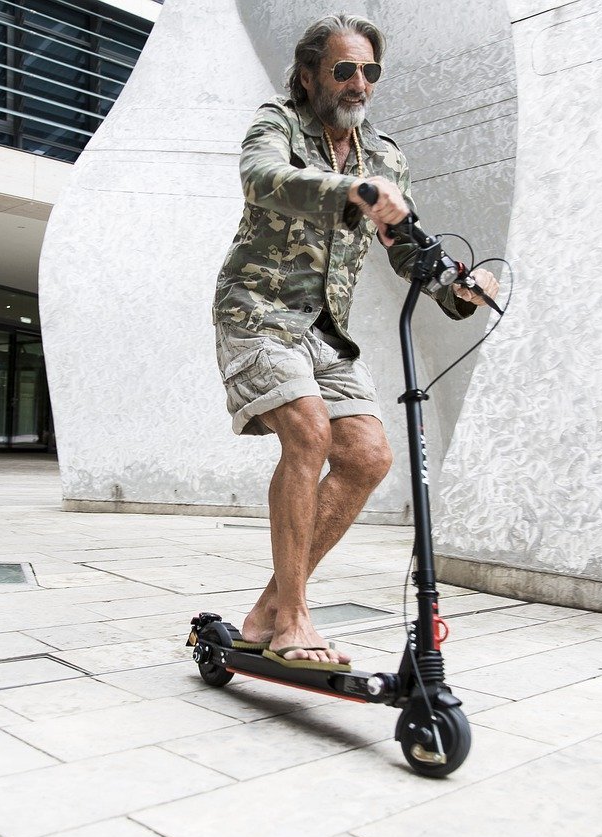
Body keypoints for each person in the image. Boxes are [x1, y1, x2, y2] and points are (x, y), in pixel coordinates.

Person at [212, 14, 499, 671]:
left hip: (326, 332)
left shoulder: (386, 156)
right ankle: (296, 618)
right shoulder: (277, 124)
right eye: (344, 70)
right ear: (310, 74)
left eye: (370, 71)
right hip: (257, 312)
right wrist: (354, 190)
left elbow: (403, 250)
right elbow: (260, 178)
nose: (359, 83)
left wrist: (458, 288)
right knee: (309, 433)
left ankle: (267, 613)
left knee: (368, 456)